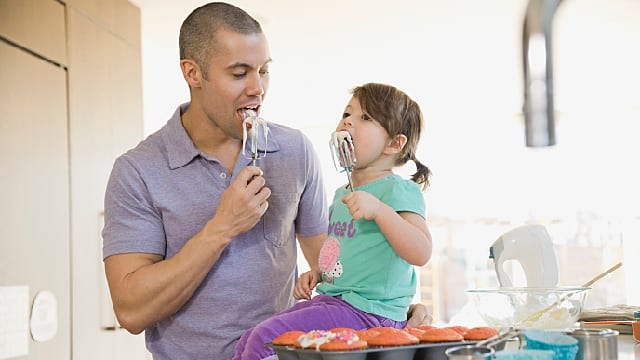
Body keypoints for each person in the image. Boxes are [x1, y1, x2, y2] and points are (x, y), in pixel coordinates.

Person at [102, 3, 431, 359]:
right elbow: (131, 312)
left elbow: (338, 257)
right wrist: (221, 228)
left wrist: (390, 311)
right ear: (192, 73)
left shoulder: (294, 150)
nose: (258, 89)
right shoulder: (138, 171)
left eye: (264, 71)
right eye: (239, 73)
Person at [233, 82, 433, 360]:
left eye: (365, 118)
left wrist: (379, 211)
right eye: (346, 114)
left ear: (394, 143)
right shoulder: (342, 194)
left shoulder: (398, 191)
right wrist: (318, 273)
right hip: (336, 302)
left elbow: (421, 251)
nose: (348, 121)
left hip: (370, 314)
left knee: (265, 340)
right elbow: (343, 254)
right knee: (248, 340)